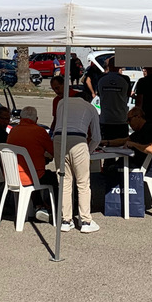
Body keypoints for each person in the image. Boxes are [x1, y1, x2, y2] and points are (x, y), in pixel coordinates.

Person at [51, 85, 100, 233]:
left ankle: (66, 220)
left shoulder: (62, 103)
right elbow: (97, 138)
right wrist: (89, 150)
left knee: (64, 181)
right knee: (83, 183)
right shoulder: (91, 109)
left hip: (59, 139)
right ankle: (85, 220)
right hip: (78, 140)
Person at [96, 58, 132, 141]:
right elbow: (128, 94)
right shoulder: (125, 79)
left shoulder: (101, 78)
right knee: (122, 146)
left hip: (106, 119)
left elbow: (99, 93)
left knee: (105, 145)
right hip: (121, 119)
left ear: (109, 66)